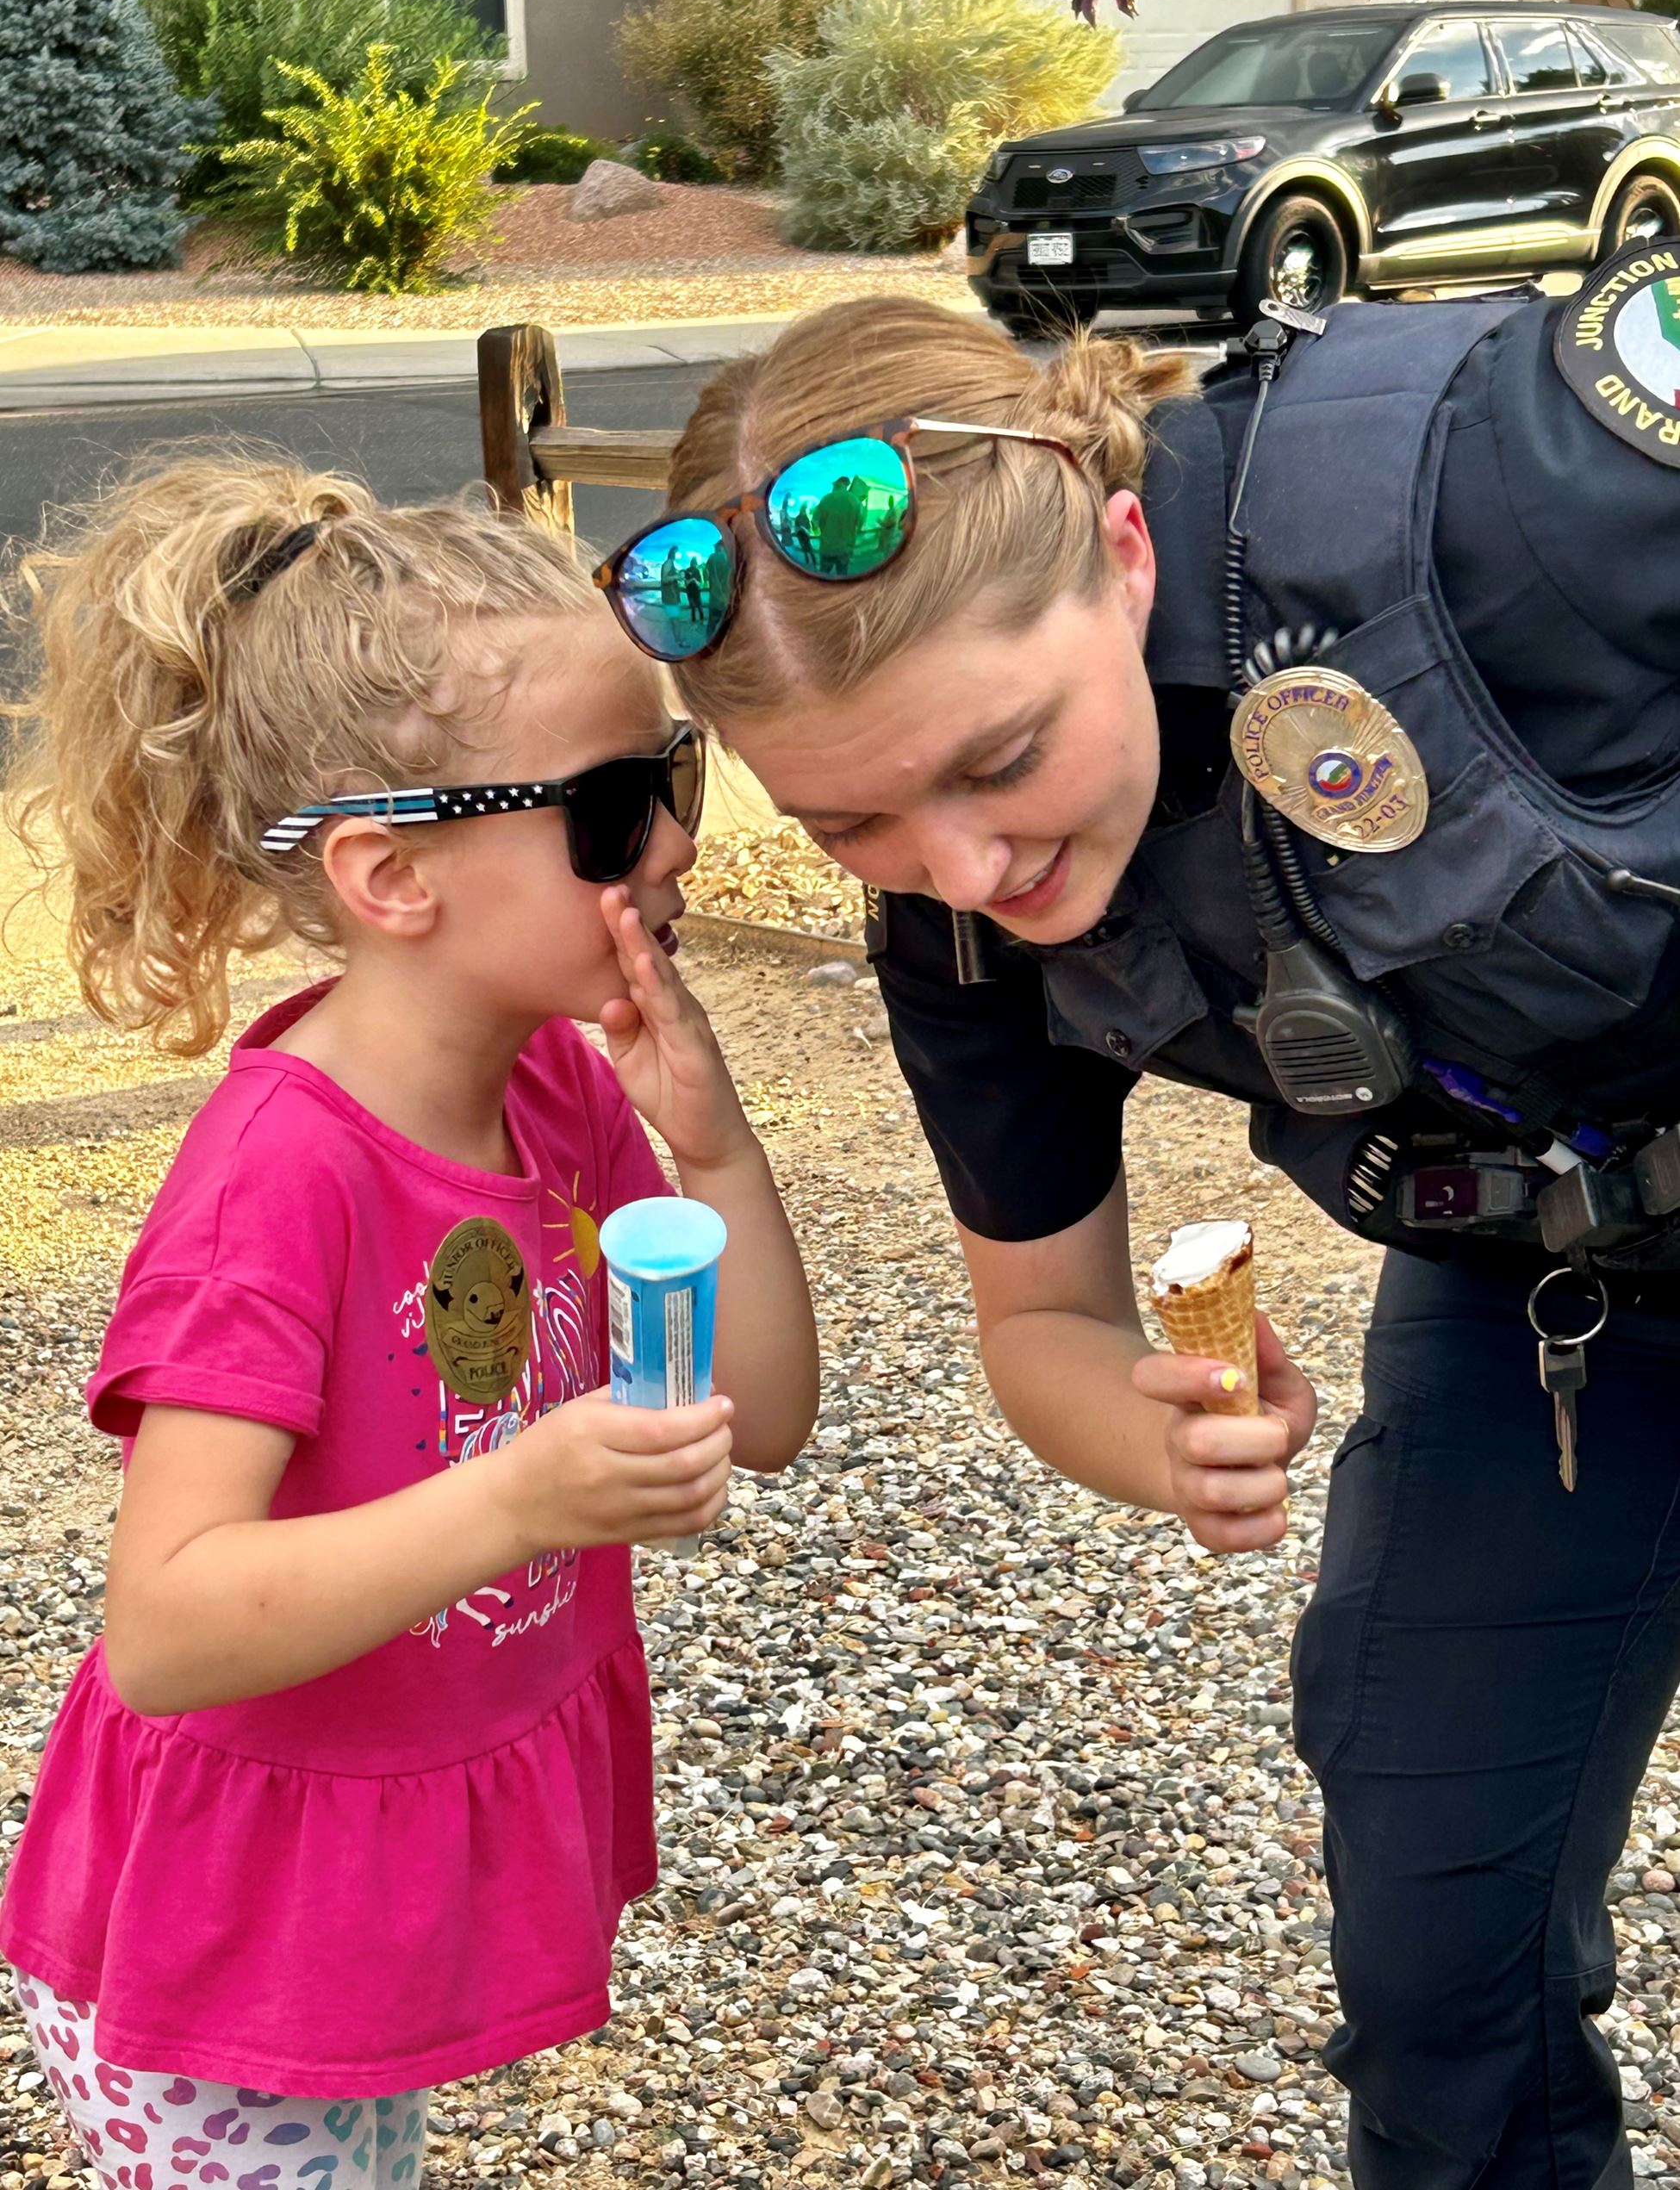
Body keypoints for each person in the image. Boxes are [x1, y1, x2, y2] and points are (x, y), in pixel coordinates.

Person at [593, 281, 1680, 2186]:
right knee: (1436, 1940)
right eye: (852, 825)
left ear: (1122, 545)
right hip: (1561, 1301)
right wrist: (1165, 1432)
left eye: (999, 757)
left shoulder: (1519, 479)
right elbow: (1042, 1323)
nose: (967, 870)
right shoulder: (955, 927)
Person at [0, 457, 818, 2183]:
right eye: (611, 810)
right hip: (220, 1937)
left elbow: (761, 1411)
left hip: (356, 1909)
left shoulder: (554, 1092)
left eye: (673, 773)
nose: (678, 842)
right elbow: (165, 1627)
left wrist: (716, 1148)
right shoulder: (278, 1182)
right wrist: (516, 1499)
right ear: (391, 877)